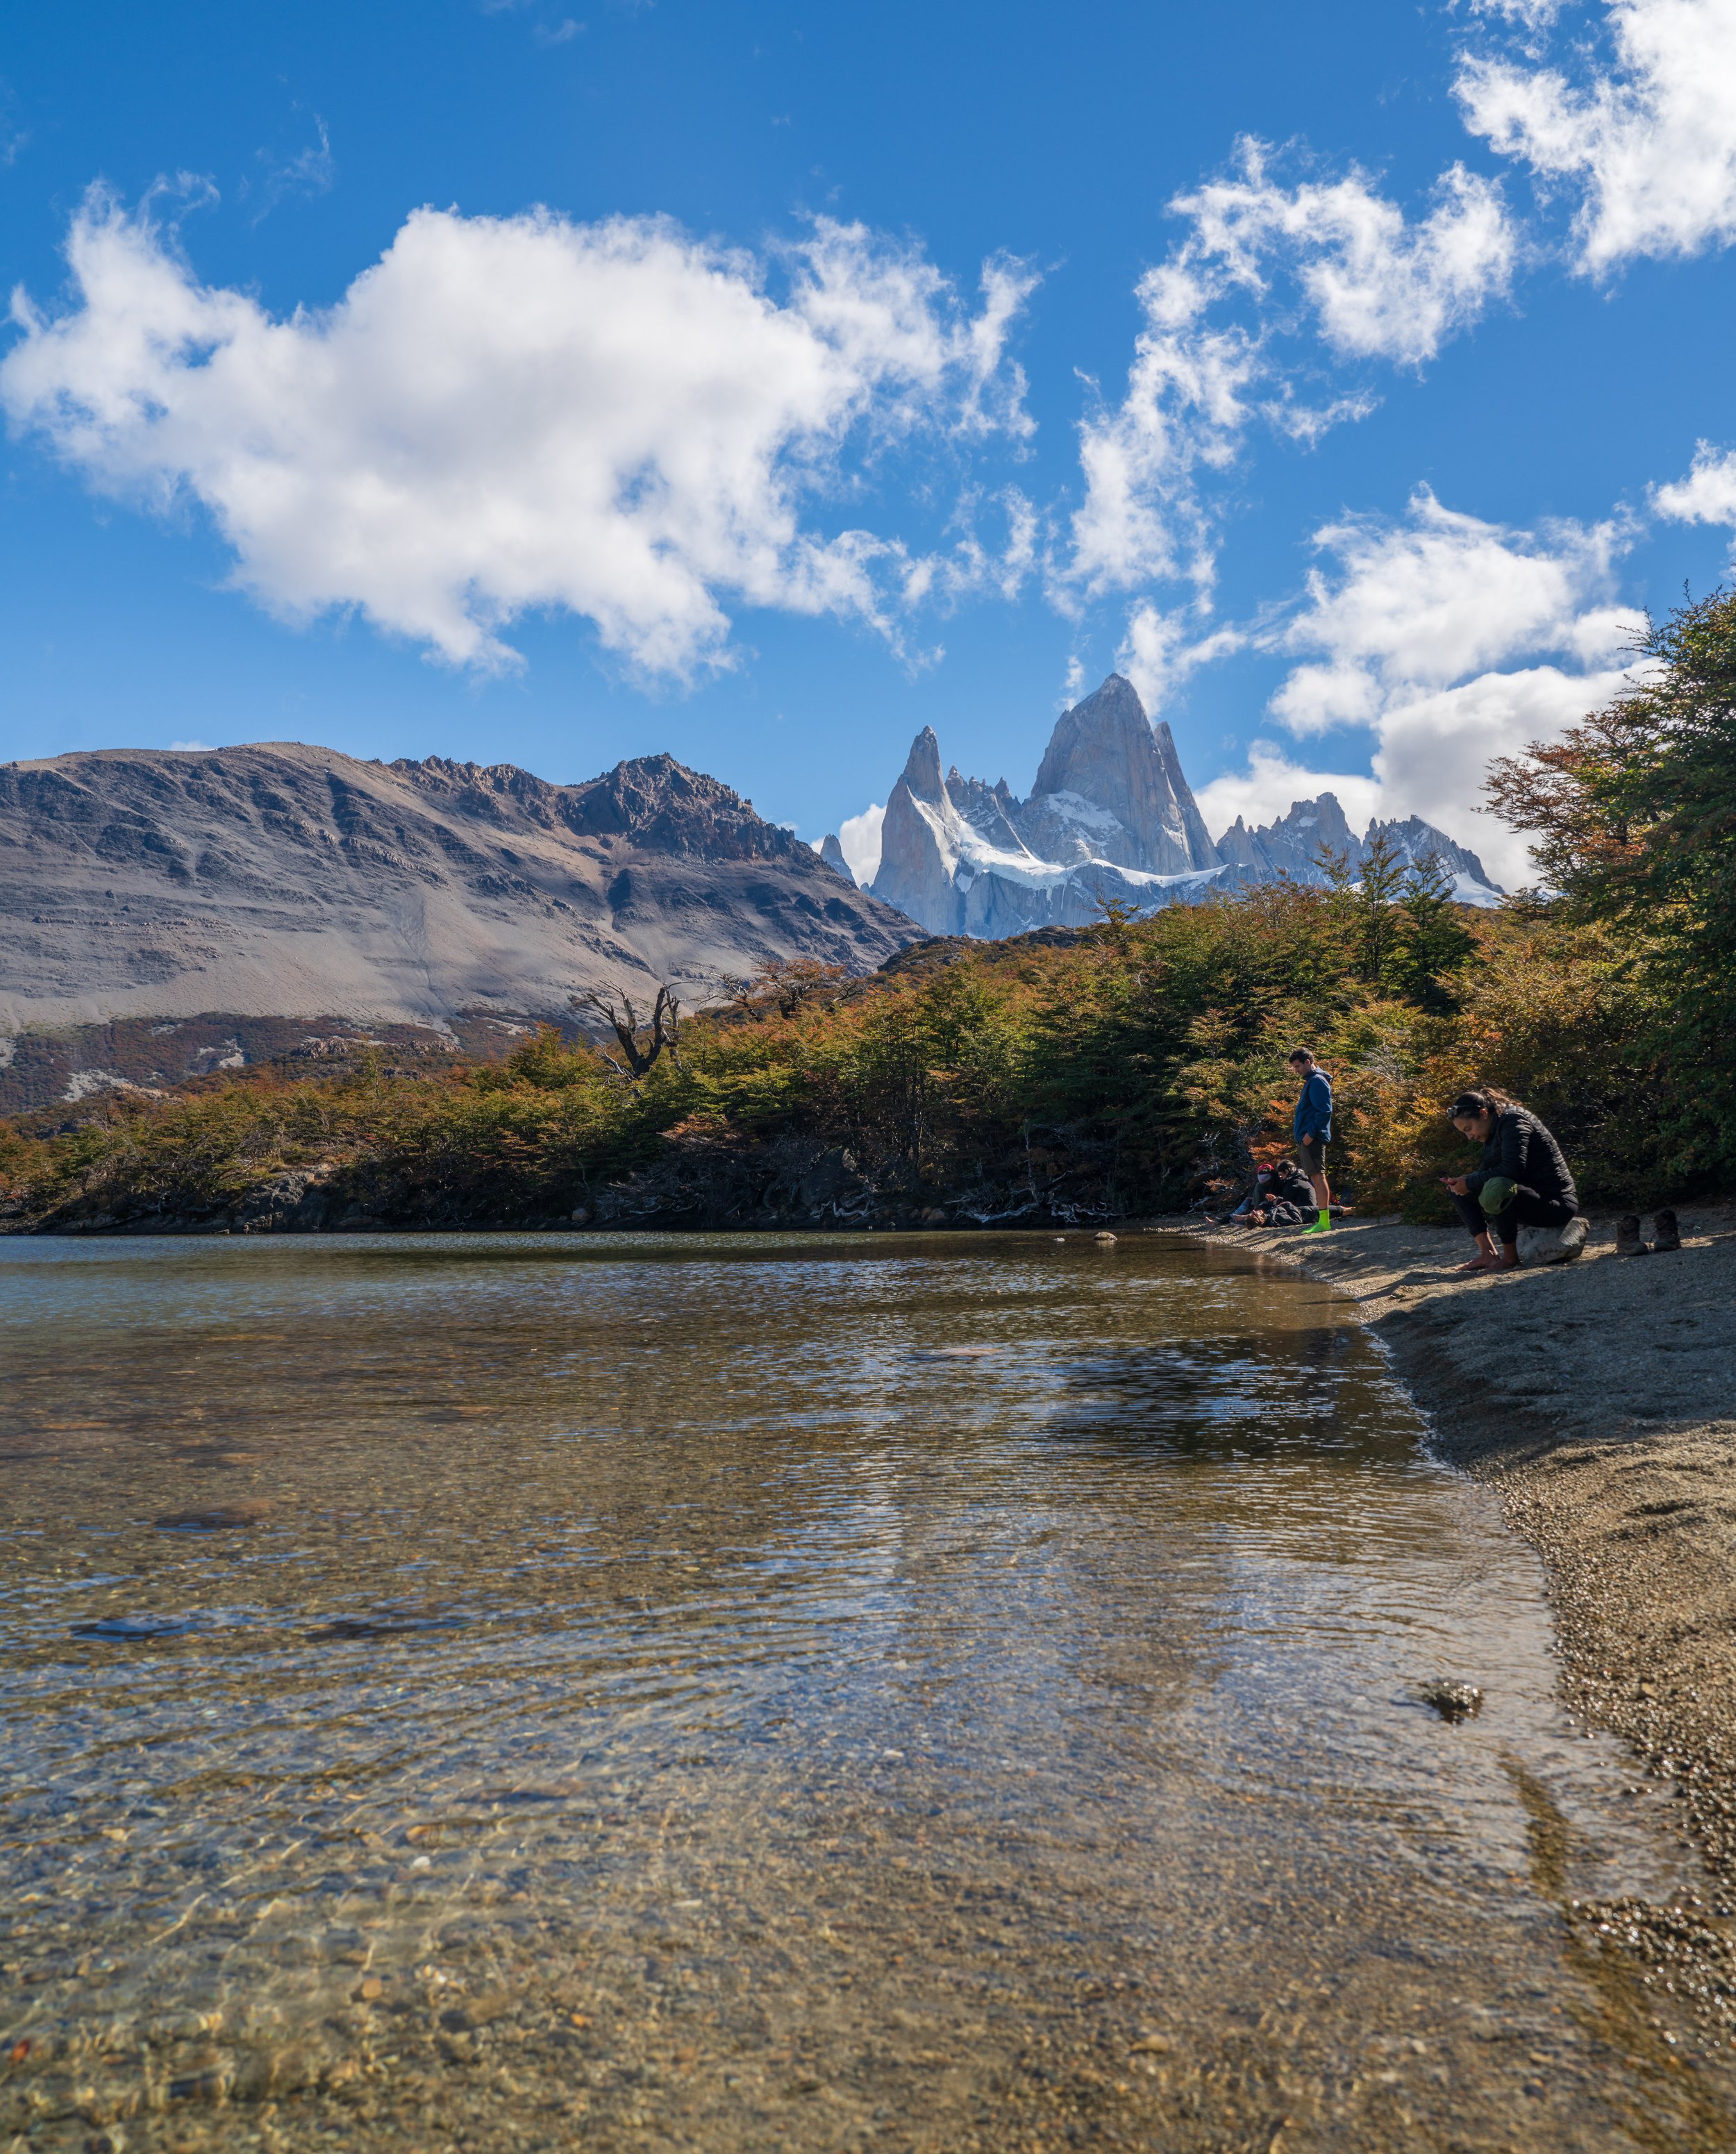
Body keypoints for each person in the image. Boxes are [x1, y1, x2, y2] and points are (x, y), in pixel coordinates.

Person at [1441, 1087, 1579, 1274]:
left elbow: (1512, 1170)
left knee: (1497, 1187)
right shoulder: (1495, 1128)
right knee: (1457, 1189)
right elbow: (1488, 1170)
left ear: (1483, 1114)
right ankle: (1488, 1254)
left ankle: (1510, 1258)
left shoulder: (1514, 1121)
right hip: (1529, 1200)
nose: (1470, 1136)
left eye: (1468, 1129)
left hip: (1556, 1204)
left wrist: (1472, 1181)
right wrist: (1464, 1182)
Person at [1287, 1049, 1333, 1234]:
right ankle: (1322, 1220)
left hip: (1312, 1138)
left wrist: (1312, 1133)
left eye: (1297, 1066)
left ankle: (1324, 1222)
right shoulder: (1312, 1081)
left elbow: (1325, 1111)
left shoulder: (1317, 1081)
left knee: (1318, 1176)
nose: (1296, 1070)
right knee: (1315, 1176)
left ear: (1308, 1062)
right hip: (1307, 1137)